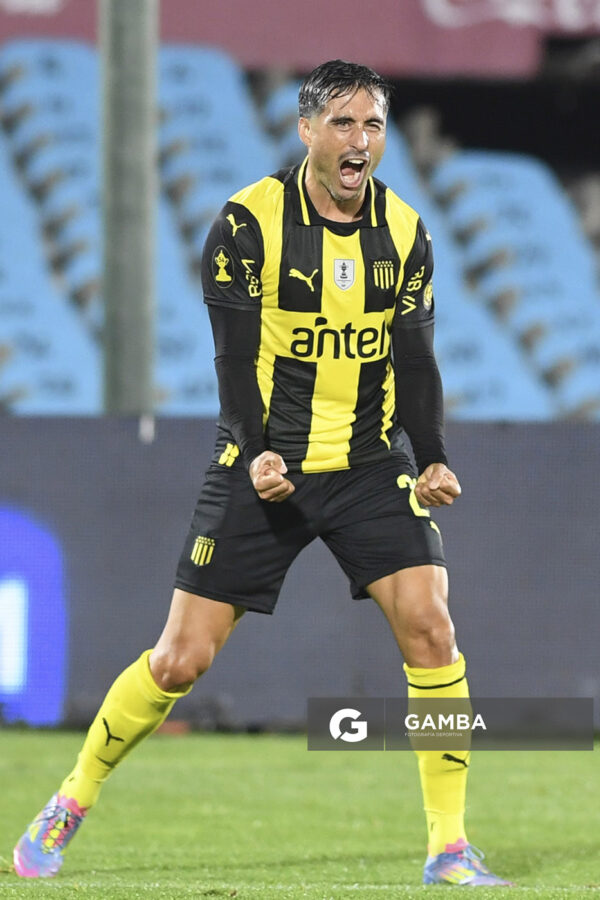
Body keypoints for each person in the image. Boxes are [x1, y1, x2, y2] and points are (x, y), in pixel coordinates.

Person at [14, 59, 510, 887]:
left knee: (431, 627)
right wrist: (256, 450)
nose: (361, 143)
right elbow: (233, 360)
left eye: (374, 126)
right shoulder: (247, 225)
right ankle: (70, 799)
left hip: (366, 460)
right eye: (344, 124)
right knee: (180, 662)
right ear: (307, 130)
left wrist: (433, 459)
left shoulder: (408, 233)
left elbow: (416, 362)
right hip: (264, 462)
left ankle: (449, 846)